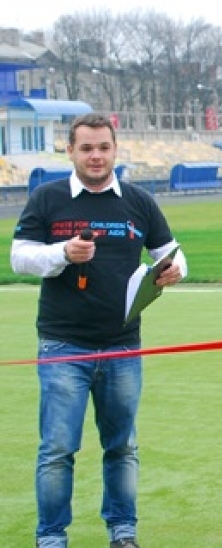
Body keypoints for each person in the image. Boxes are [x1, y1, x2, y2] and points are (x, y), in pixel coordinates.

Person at [10, 113, 188, 548]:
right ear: (69, 151)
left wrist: (174, 272)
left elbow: (174, 254)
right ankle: (51, 538)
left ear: (114, 149)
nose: (95, 156)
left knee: (122, 447)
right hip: (62, 345)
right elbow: (20, 257)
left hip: (122, 347)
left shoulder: (138, 201)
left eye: (103, 147)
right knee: (57, 450)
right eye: (86, 148)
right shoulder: (47, 199)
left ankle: (122, 532)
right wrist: (63, 254)